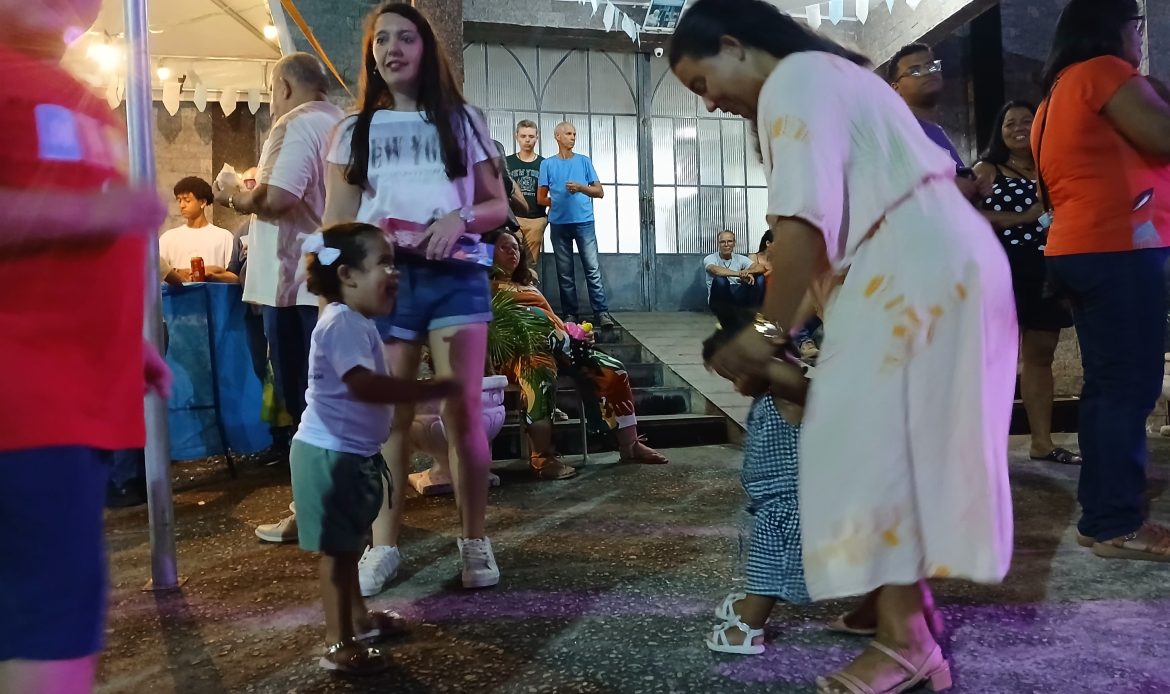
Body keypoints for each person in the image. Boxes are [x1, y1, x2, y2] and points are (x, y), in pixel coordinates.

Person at [671, 1, 1016, 691]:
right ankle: (901, 612)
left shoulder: (794, 81)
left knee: (870, 450)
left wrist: (764, 335)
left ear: (733, 45)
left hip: (911, 271)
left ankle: (906, 640)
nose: (709, 104)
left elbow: (802, 228)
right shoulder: (836, 79)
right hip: (935, 263)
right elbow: (824, 248)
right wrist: (775, 336)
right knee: (890, 448)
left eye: (702, 83)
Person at [0, 0, 170, 690]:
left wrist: (125, 339)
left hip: (72, 404)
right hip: (25, 403)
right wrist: (89, 212)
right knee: (50, 636)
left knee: (51, 623)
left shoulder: (80, 97)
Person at [322, 2, 510, 597]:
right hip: (385, 285)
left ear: (426, 48)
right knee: (389, 418)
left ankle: (474, 540)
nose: (392, 49)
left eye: (405, 37)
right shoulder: (352, 131)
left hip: (457, 277)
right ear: (371, 55)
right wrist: (333, 300)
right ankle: (384, 546)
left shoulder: (463, 120)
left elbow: (498, 205)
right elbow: (335, 225)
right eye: (381, 40)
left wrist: (460, 217)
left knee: (463, 412)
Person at [1035, 0, 1170, 561]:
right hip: (1118, 248)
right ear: (1115, 26)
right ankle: (1117, 523)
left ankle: (1101, 516)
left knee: (1107, 387)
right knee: (1128, 388)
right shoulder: (1103, 73)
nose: (1140, 36)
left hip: (1079, 248)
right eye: (1138, 25)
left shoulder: (1056, 93)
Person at [291, 222, 457, 674]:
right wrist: (425, 389)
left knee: (349, 545)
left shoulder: (355, 321)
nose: (395, 272)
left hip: (347, 455)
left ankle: (359, 620)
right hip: (329, 457)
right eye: (383, 262)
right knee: (337, 555)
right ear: (347, 275)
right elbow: (363, 385)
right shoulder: (340, 323)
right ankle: (338, 641)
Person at [215, 53, 345, 543]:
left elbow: (276, 199)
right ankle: (340, 505)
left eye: (272, 91)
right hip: (336, 283)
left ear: (285, 87)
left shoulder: (294, 123)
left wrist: (231, 195)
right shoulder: (341, 122)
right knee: (335, 402)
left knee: (305, 405)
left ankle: (314, 510)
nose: (271, 102)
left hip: (296, 287)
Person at [488, 231, 668, 480]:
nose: (513, 251)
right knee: (538, 373)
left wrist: (574, 334)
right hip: (521, 352)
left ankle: (630, 445)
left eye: (516, 247)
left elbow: (553, 319)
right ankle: (541, 458)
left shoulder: (529, 286)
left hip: (561, 347)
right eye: (504, 247)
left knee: (613, 369)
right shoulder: (484, 286)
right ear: (488, 253)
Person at [973, 101, 1080, 466]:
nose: (1018, 128)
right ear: (999, 132)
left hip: (1046, 267)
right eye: (1010, 123)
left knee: (1040, 356)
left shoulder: (1052, 165)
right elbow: (965, 215)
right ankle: (983, 448)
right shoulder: (987, 169)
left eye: (1026, 121)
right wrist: (1024, 217)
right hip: (1002, 268)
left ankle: (1042, 443)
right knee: (991, 359)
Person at [701, 317, 812, 656]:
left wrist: (761, 356)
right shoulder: (767, 397)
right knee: (766, 564)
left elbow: (799, 380)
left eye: (736, 375)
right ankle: (751, 605)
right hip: (773, 504)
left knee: (769, 566)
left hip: (789, 503)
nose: (736, 387)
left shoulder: (786, 394)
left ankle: (749, 629)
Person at [537, 121, 616, 328]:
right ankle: (570, 314)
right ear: (557, 137)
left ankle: (601, 312)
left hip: (584, 222)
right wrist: (557, 202)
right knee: (564, 272)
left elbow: (599, 192)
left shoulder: (584, 161)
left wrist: (581, 188)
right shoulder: (547, 164)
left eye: (574, 134)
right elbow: (541, 198)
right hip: (558, 224)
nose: (572, 137)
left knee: (592, 269)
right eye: (568, 133)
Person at [888, 43, 987, 201]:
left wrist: (975, 188)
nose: (927, 73)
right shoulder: (894, 130)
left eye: (931, 66)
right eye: (915, 71)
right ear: (896, 88)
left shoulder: (938, 132)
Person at [159, 176, 237, 282]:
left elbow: (234, 277)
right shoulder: (168, 238)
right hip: (178, 292)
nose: (182, 205)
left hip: (212, 292)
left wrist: (212, 274)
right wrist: (177, 272)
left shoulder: (224, 237)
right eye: (179, 200)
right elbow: (156, 271)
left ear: (203, 202)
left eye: (187, 200)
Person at [506, 120, 548, 265]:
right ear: (516, 137)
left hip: (536, 220)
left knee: (530, 264)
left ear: (537, 137)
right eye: (523, 136)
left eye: (531, 136)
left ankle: (528, 282)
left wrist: (547, 218)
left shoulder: (545, 164)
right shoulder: (507, 162)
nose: (527, 140)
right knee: (509, 261)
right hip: (513, 219)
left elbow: (555, 191)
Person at [704, 229, 760, 328]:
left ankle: (754, 312)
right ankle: (728, 315)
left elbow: (760, 267)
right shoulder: (710, 258)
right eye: (722, 242)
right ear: (718, 244)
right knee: (720, 280)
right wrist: (739, 274)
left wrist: (748, 272)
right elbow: (714, 270)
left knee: (759, 278)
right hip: (718, 300)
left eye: (729, 241)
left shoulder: (739, 258)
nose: (726, 245)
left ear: (734, 243)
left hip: (736, 295)